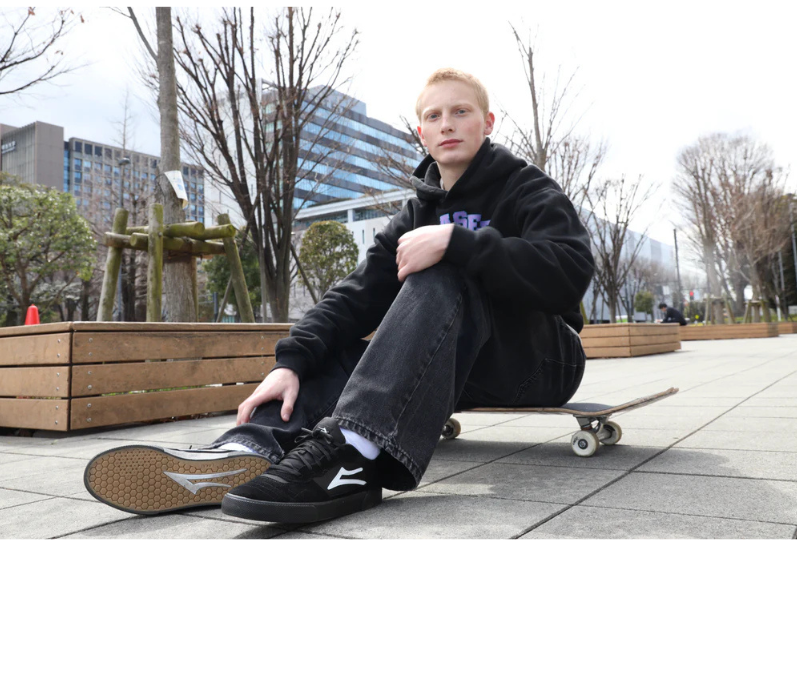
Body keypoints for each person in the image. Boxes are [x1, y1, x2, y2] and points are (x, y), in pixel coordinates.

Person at [84, 68, 595, 524]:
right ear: (421, 133)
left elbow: (570, 273)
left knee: (444, 271)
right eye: (434, 116)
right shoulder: (415, 214)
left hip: (540, 361)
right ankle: (246, 451)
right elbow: (355, 296)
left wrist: (459, 243)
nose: (448, 124)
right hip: (459, 367)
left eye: (461, 112)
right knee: (339, 349)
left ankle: (353, 456)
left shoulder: (526, 187)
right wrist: (292, 361)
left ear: (487, 122)